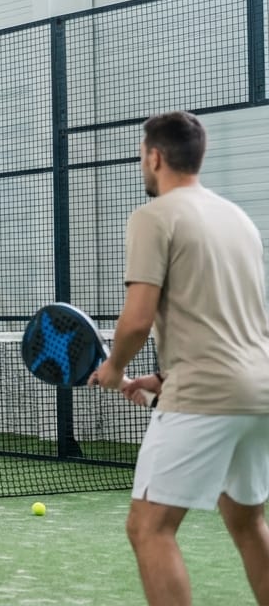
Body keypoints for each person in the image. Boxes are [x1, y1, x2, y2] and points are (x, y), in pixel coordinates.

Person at [90, 111, 269, 606]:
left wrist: (116, 370)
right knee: (248, 520)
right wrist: (162, 376)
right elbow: (232, 321)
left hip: (206, 396)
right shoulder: (239, 220)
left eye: (142, 157)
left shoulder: (153, 217)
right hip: (258, 392)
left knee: (149, 528)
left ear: (155, 156)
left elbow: (137, 320)